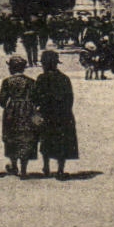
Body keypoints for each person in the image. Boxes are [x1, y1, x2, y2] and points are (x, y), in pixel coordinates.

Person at [33, 49, 78, 179]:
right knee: (62, 142)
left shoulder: (41, 78)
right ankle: (60, 169)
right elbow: (70, 98)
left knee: (45, 140)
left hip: (46, 115)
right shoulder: (64, 78)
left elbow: (35, 98)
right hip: (63, 115)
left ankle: (46, 167)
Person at [0, 54, 38, 178]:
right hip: (27, 110)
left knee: (11, 136)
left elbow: (1, 100)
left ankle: (14, 165)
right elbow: (36, 98)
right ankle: (24, 169)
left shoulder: (7, 81)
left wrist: (9, 106)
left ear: (12, 68)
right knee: (26, 137)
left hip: (12, 111)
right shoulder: (31, 81)